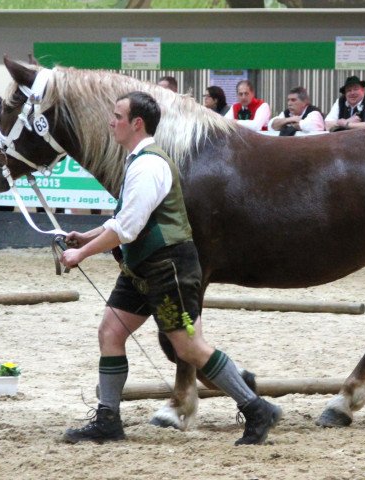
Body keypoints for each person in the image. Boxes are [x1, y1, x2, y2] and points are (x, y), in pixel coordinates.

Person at [60, 91, 281, 446]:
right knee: (110, 333)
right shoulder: (137, 161)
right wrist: (85, 235)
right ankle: (108, 419)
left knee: (190, 348)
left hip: (168, 269)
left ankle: (256, 409)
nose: (110, 122)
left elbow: (127, 228)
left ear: (137, 123)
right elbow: (124, 218)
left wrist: (81, 254)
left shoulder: (148, 165)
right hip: (142, 267)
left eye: (117, 116)